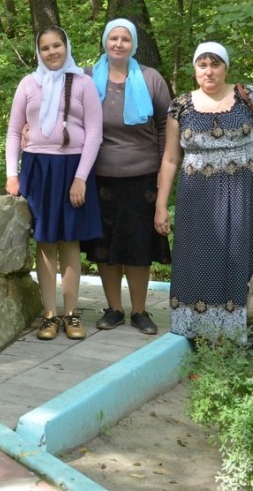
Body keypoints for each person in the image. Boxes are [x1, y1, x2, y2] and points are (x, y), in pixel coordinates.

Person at [154, 42, 253, 346]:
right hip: (196, 198)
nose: (209, 71)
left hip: (244, 196)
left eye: (215, 64)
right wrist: (161, 205)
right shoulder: (180, 106)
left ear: (226, 67)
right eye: (202, 65)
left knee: (240, 258)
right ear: (194, 69)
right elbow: (170, 159)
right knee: (197, 257)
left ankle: (243, 331)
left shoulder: (249, 97)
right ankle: (196, 330)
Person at [6, 27, 103, 340]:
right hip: (38, 168)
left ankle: (71, 314)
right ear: (38, 52)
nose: (52, 52)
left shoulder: (83, 84)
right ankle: (49, 314)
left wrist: (80, 177)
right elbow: (12, 132)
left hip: (72, 166)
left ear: (66, 46)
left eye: (57, 45)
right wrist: (12, 174)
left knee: (70, 242)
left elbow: (94, 134)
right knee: (46, 242)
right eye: (45, 47)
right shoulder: (28, 84)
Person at [82, 19, 172, 335]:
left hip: (142, 176)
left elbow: (165, 125)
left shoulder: (150, 78)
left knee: (138, 247)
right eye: (113, 38)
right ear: (105, 42)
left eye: (125, 39)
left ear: (133, 44)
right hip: (99, 177)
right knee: (104, 247)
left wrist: (163, 168)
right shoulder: (88, 78)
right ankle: (114, 309)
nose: (119, 44)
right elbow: (72, 119)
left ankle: (140, 311)